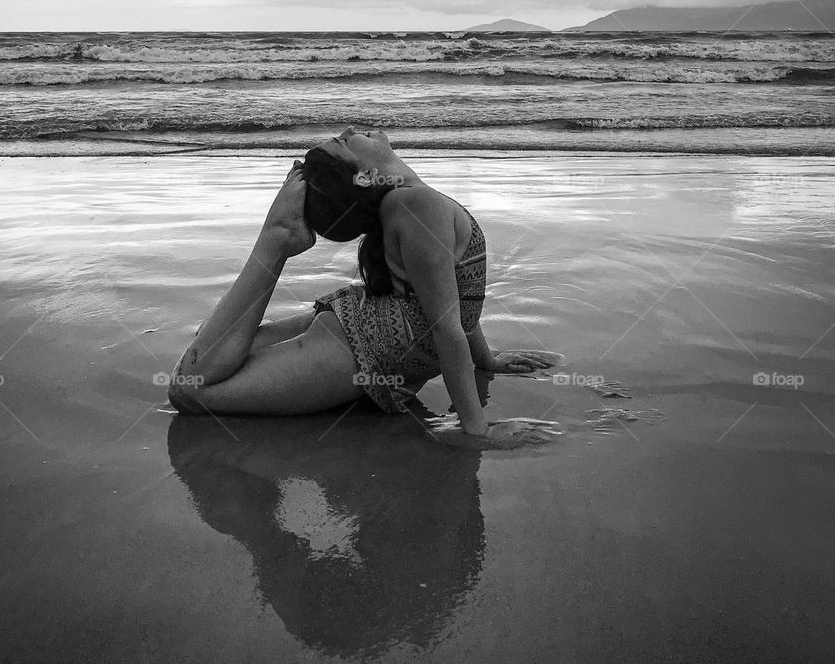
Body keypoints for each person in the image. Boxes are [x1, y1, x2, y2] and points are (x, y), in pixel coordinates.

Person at [167, 127, 562, 446]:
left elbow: (453, 296)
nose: (350, 129)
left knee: (209, 353)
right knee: (190, 387)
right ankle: (276, 240)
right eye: (344, 141)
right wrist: (478, 431)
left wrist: (486, 358)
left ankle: (278, 236)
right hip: (364, 352)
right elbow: (445, 325)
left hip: (359, 333)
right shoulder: (414, 204)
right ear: (367, 176)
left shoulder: (410, 201)